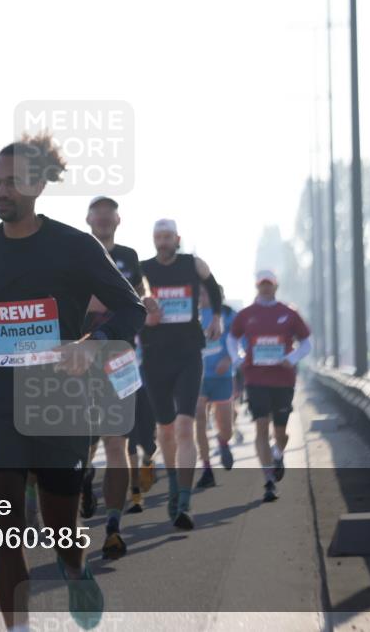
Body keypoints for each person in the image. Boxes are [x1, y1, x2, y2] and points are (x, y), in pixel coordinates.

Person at [0, 133, 146, 630]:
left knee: (62, 523)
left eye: (11, 182)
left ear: (37, 185)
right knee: (4, 524)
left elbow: (132, 307)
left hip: (60, 400)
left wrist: (89, 346)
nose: (0, 192)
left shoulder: (74, 247)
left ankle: (74, 566)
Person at [81, 195, 158, 556]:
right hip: (80, 356)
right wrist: (122, 304)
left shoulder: (128, 255)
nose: (103, 220)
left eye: (108, 215)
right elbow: (83, 303)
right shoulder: (75, 251)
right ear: (88, 220)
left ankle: (113, 525)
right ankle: (82, 481)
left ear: (117, 220)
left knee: (118, 443)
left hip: (121, 358)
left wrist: (146, 301)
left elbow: (141, 295)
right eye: (97, 215)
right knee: (79, 442)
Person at [140, 218, 223, 530]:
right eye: (157, 236)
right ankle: (174, 486)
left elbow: (214, 288)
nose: (162, 242)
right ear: (153, 239)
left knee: (186, 427)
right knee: (166, 431)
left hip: (188, 353)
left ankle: (186, 501)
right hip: (154, 356)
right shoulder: (143, 269)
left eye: (167, 237)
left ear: (177, 238)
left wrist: (216, 317)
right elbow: (129, 302)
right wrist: (143, 319)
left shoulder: (193, 264)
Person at [227, 270, 312, 503]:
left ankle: (277, 454)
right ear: (257, 286)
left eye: (269, 284)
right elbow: (231, 338)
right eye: (262, 284)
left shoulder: (288, 313)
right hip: (256, 378)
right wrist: (238, 359)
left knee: (280, 432)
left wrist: (292, 359)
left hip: (283, 380)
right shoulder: (247, 315)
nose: (265, 288)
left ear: (276, 286)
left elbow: (306, 342)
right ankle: (268, 481)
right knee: (261, 427)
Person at [194, 285, 237, 487]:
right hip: (197, 377)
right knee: (199, 419)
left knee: (227, 427)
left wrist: (229, 359)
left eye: (207, 292)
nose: (203, 296)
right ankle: (206, 467)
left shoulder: (227, 314)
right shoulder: (191, 315)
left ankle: (222, 440)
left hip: (222, 377)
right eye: (200, 292)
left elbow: (242, 340)